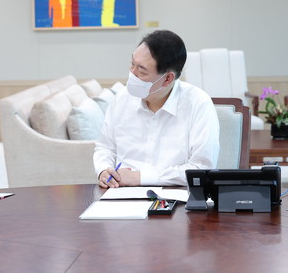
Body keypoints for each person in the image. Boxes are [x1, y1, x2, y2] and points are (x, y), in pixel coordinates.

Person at [94, 30, 220, 188]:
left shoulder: (198, 104)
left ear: (167, 78)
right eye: (132, 64)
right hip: (121, 191)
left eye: (142, 71)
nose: (132, 74)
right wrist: (104, 169)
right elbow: (105, 147)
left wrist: (141, 178)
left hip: (175, 195)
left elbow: (201, 168)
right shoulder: (121, 99)